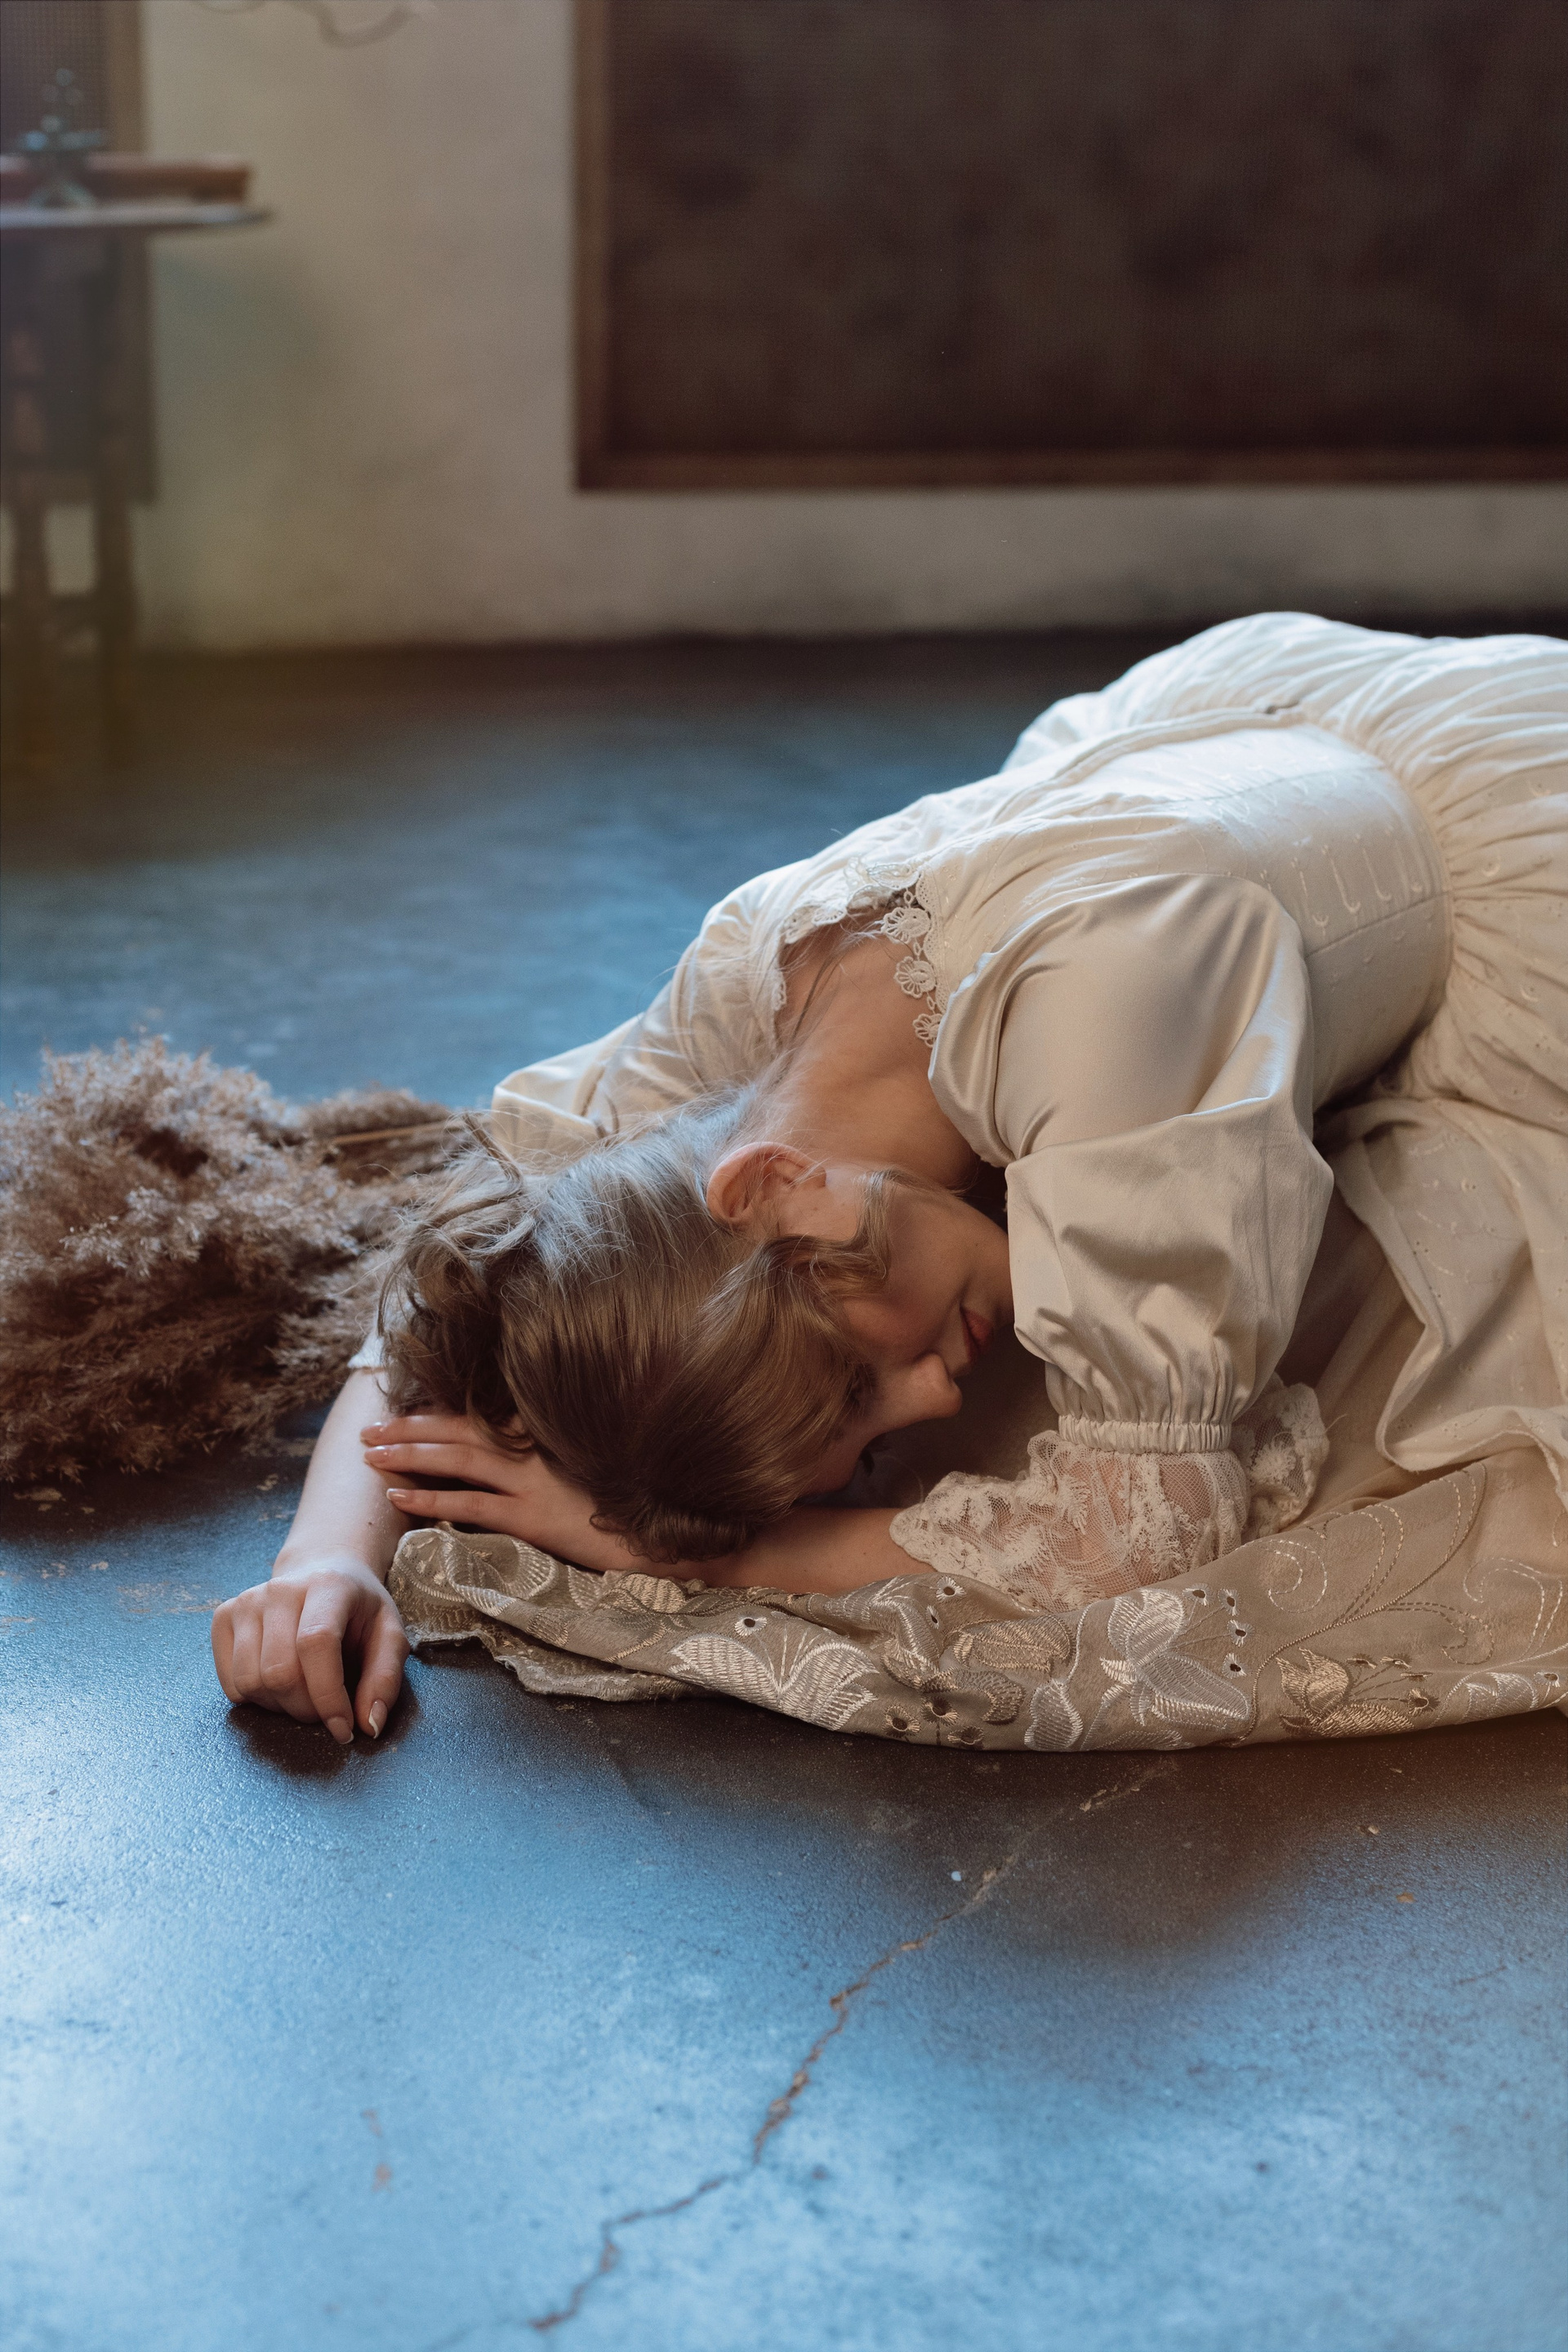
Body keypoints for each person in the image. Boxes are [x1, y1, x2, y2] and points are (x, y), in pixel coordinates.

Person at [211, 614, 1568, 1745]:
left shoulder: (1099, 1015)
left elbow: (1145, 1534)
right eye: (871, 1426)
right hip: (1232, 807)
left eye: (861, 1382)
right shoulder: (751, 1040)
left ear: (772, 1193)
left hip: (1495, 879)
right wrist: (324, 1559)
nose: (935, 1397)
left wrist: (712, 1558)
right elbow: (462, 1291)